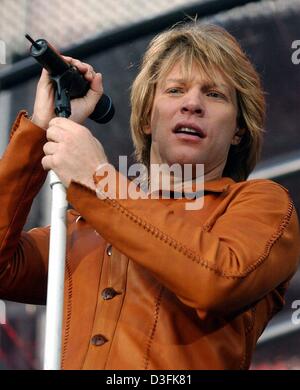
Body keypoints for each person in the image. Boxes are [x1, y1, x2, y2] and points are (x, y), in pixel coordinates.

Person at [0, 22, 299, 370]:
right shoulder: (84, 225)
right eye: (175, 90)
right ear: (146, 118)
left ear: (238, 131)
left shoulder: (263, 204)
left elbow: (217, 281)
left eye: (215, 94)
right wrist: (38, 129)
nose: (192, 104)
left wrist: (99, 183)